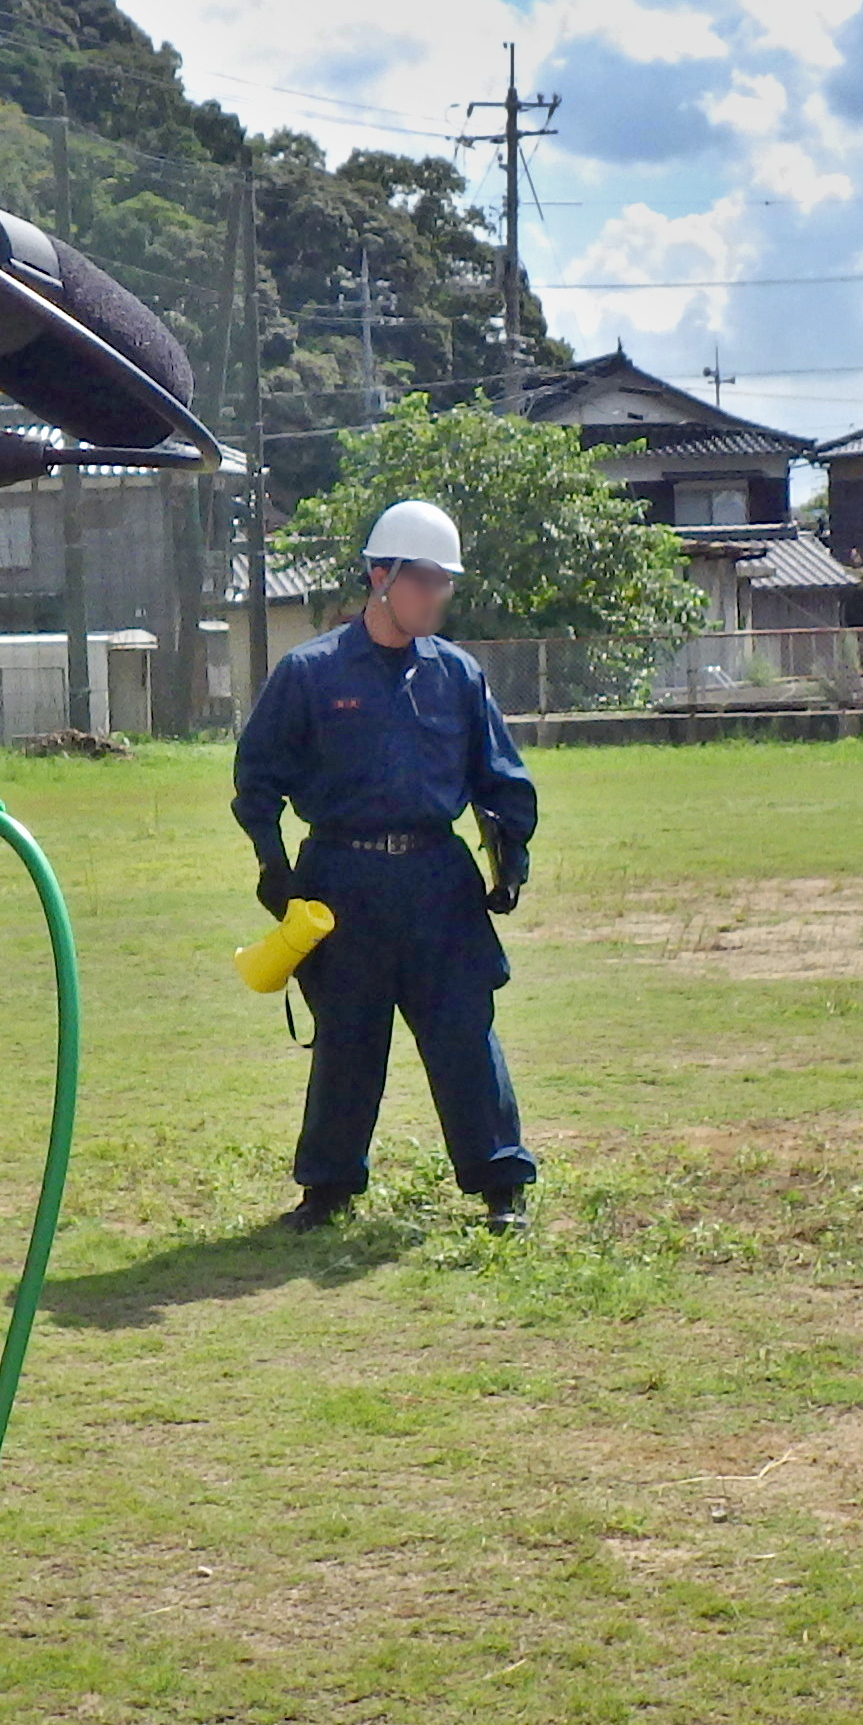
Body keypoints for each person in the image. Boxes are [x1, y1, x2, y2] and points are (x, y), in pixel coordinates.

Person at [232, 499, 542, 1235]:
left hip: (439, 878)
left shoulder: (459, 676)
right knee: (347, 1038)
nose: (437, 595)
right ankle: (327, 1189)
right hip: (341, 879)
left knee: (464, 1031)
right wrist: (275, 868)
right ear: (381, 576)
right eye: (425, 580)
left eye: (445, 583)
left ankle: (501, 1186)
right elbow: (257, 779)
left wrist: (511, 855)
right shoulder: (310, 673)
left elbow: (501, 778)